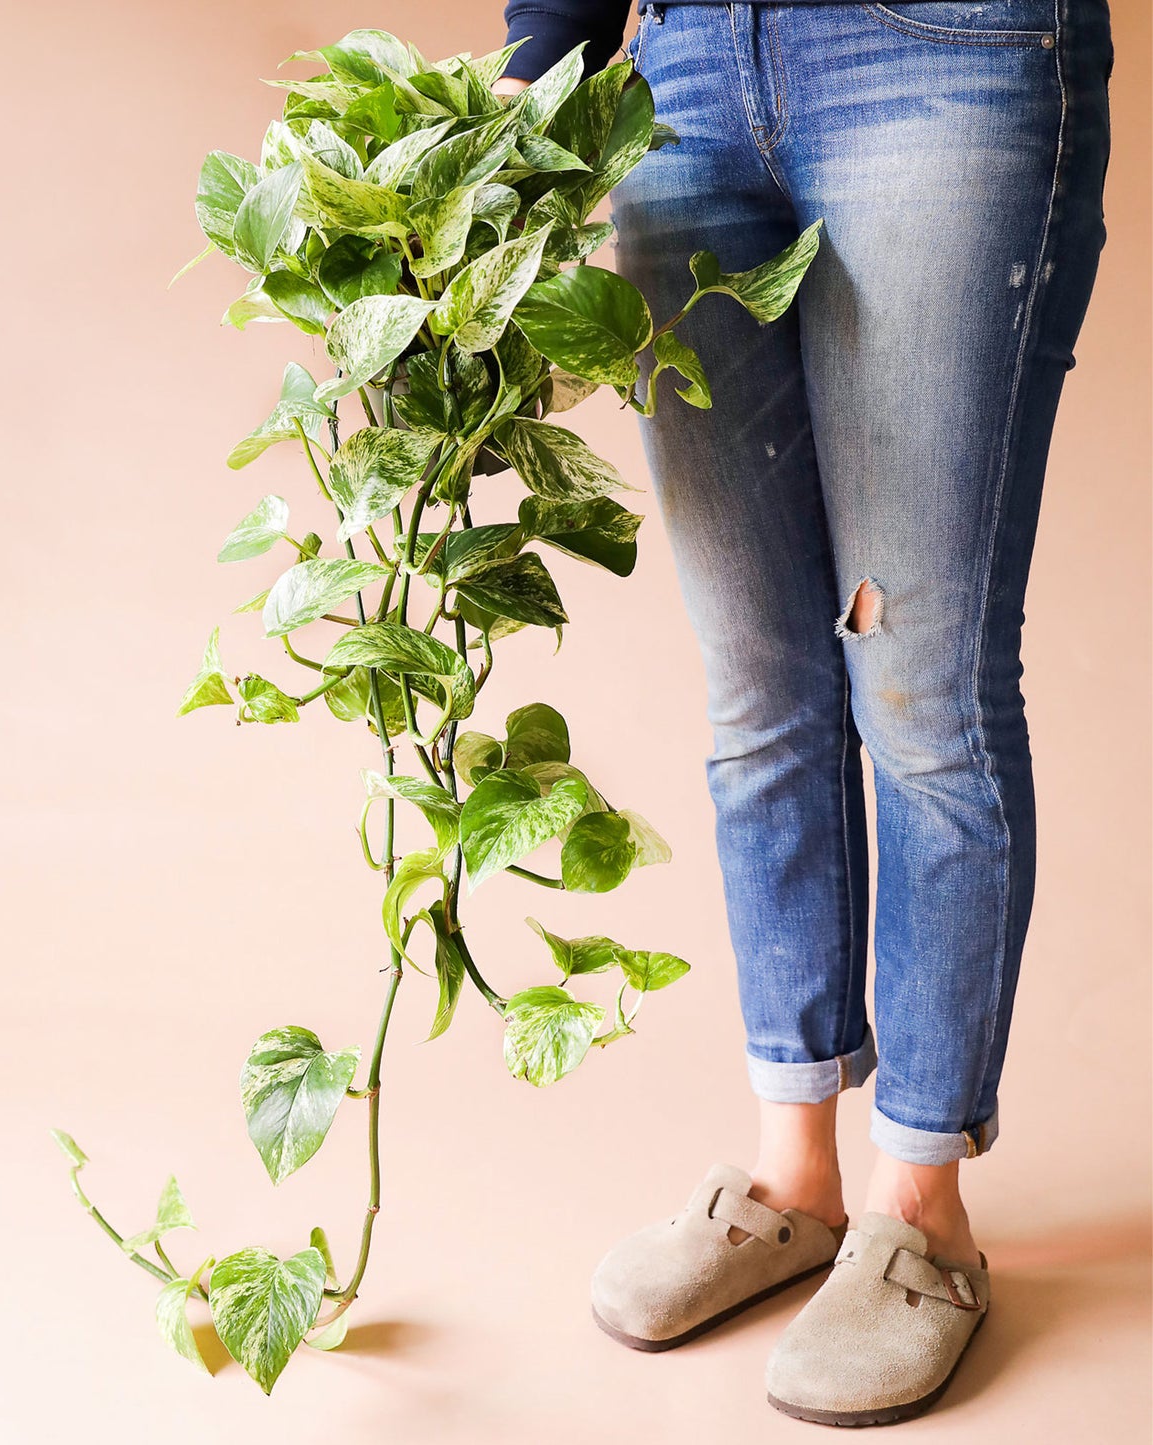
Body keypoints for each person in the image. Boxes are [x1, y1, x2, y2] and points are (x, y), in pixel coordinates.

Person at [492, 0, 1113, 1426]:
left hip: (941, 48)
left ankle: (921, 1213)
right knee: (759, 673)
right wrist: (542, 59)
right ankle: (792, 1181)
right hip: (686, 64)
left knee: (918, 679)